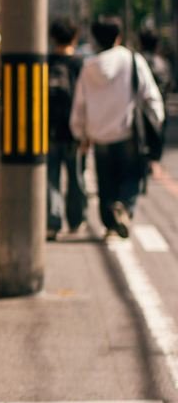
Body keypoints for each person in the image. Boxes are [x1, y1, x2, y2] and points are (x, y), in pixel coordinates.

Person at [70, 16, 164, 239]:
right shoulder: (131, 60)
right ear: (118, 36)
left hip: (99, 134)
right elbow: (150, 95)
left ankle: (111, 226)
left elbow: (80, 104)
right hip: (127, 131)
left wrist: (80, 133)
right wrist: (157, 121)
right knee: (132, 176)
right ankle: (124, 208)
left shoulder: (89, 67)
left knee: (106, 182)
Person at [46, 18, 87, 240]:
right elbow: (86, 100)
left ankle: (53, 222)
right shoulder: (79, 64)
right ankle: (76, 220)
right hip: (74, 130)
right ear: (75, 37)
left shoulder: (45, 62)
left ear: (52, 38)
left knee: (50, 178)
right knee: (76, 177)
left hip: (48, 130)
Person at [139, 26, 173, 96]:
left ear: (141, 44)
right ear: (156, 45)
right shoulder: (162, 63)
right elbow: (168, 84)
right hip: (159, 101)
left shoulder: (136, 61)